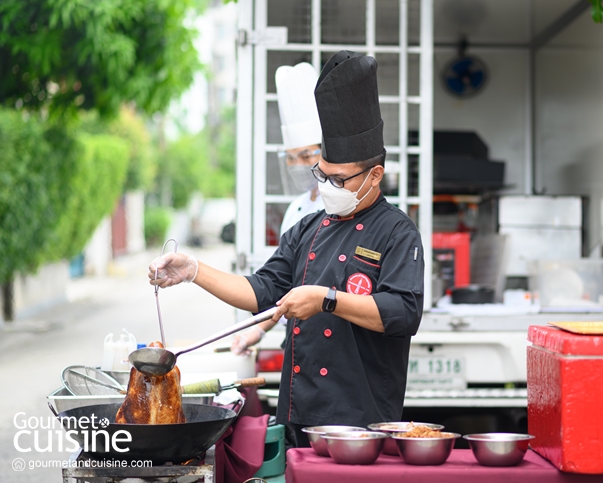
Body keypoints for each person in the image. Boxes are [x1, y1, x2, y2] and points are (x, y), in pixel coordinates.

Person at [149, 51, 424, 447]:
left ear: (375, 175)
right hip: (299, 414)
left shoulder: (397, 232)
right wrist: (193, 270)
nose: (326, 186)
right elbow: (260, 291)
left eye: (339, 179)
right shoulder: (306, 229)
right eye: (322, 175)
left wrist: (327, 300)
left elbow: (402, 313)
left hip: (361, 425)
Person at [230, 62, 325, 355]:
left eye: (306, 155)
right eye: (291, 157)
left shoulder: (341, 206)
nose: (298, 165)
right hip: (295, 340)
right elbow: (281, 286)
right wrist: (256, 331)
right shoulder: (295, 209)